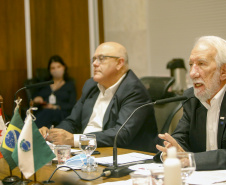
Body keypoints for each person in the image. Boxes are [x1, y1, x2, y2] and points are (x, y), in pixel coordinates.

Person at [39, 42, 158, 152]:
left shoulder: (134, 90)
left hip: (122, 155)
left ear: (119, 63)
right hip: (87, 152)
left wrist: (74, 140)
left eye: (101, 59)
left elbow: (121, 135)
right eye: (94, 59)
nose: (95, 64)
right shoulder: (91, 85)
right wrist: (53, 134)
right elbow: (72, 122)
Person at [154, 36, 226, 170]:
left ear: (223, 71)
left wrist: (190, 160)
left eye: (201, 64)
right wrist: (171, 150)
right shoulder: (192, 99)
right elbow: (181, 137)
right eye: (191, 64)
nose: (192, 73)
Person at [33, 55, 77, 128]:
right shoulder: (44, 84)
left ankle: (33, 131)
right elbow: (34, 98)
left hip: (61, 114)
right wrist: (36, 99)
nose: (56, 70)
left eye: (58, 67)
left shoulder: (70, 85)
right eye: (53, 68)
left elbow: (72, 105)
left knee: (49, 112)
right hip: (43, 113)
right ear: (49, 70)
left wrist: (55, 107)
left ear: (64, 67)